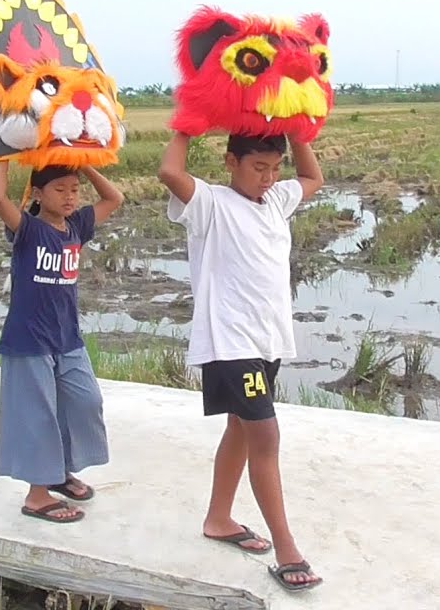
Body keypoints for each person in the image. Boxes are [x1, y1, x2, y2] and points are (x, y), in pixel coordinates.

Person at [157, 130, 325, 592]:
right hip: (231, 345)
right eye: (258, 168)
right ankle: (287, 548)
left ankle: (218, 518)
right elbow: (170, 172)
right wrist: (186, 126)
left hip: (268, 342)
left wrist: (297, 129)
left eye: (275, 168)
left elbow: (313, 176)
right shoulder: (210, 204)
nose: (269, 178)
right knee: (265, 434)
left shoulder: (276, 200)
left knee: (240, 427)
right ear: (231, 161)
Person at [0, 162, 124, 523]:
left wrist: (88, 166)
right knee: (38, 415)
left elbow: (114, 197)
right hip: (29, 339)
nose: (69, 197)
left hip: (67, 338)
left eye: (74, 190)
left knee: (85, 401)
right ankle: (37, 496)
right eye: (60, 189)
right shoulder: (28, 229)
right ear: (37, 193)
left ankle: (60, 471)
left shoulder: (76, 225)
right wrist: (3, 159)